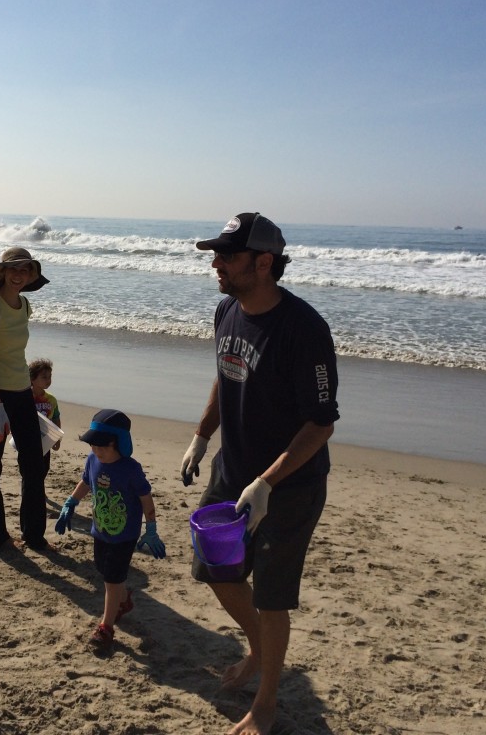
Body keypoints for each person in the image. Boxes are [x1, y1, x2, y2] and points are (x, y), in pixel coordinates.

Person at [181, 212, 339, 735]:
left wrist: (268, 482)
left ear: (264, 263)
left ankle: (266, 701)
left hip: (289, 487)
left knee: (271, 597)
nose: (216, 264)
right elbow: (225, 373)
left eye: (228, 256)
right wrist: (202, 436)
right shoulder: (227, 309)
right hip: (233, 472)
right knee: (215, 570)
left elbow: (320, 424)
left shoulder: (305, 331)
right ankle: (258, 649)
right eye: (216, 255)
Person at [54, 409, 166, 651]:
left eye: (102, 446)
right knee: (102, 568)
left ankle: (106, 627)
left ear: (119, 443)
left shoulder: (130, 469)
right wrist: (70, 503)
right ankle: (124, 600)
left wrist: (151, 528)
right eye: (93, 445)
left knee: (111, 580)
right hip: (100, 529)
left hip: (124, 536)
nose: (96, 450)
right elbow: (86, 482)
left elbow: (146, 498)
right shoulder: (92, 460)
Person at [0, 247, 51, 550]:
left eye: (25, 270)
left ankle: (34, 536)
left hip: (22, 394)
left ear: (30, 275)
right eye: (13, 269)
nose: (19, 275)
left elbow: (16, 353)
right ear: (2, 273)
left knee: (34, 465)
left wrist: (31, 390)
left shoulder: (25, 305)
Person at [28, 358, 62, 475]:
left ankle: (39, 487)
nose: (48, 380)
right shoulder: (25, 397)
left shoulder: (51, 400)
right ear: (32, 379)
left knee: (44, 468)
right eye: (44, 377)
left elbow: (56, 419)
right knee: (28, 469)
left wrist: (57, 439)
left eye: (50, 377)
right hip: (27, 439)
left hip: (45, 440)